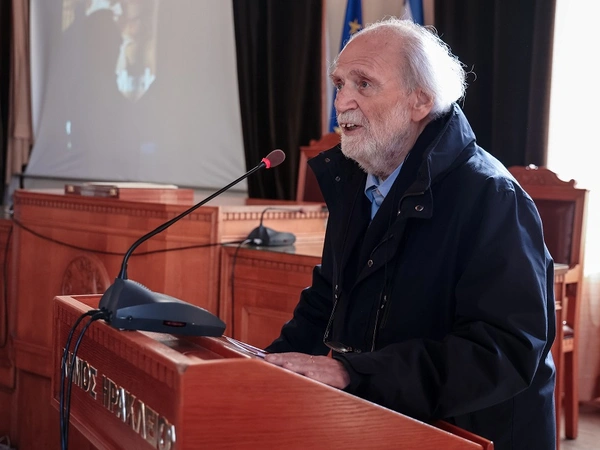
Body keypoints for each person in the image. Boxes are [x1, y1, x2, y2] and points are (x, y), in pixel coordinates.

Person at [264, 18, 555, 450]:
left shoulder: (492, 196)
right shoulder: (357, 179)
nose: (341, 101)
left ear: (420, 101)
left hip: (474, 433)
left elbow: (503, 349)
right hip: (383, 416)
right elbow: (329, 296)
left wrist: (354, 373)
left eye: (364, 84)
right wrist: (264, 369)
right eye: (339, 83)